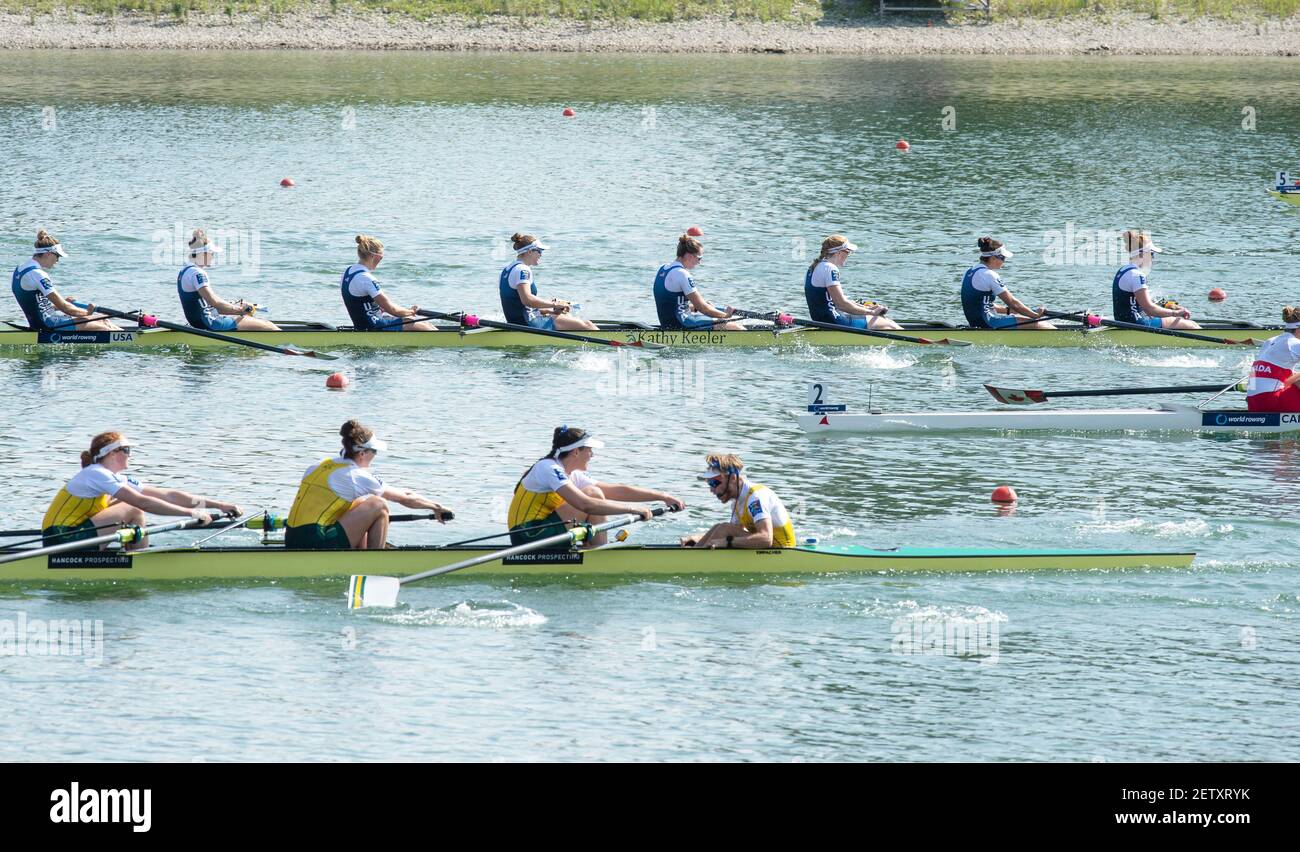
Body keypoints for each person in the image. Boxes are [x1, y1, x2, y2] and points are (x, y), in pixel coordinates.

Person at [41, 431, 240, 549]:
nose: (130, 455)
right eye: (127, 450)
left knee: (127, 504)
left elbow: (168, 495)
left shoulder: (113, 478)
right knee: (133, 508)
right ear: (111, 453)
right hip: (62, 539)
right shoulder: (97, 474)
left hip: (71, 538)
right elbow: (142, 502)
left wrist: (220, 505)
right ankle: (138, 558)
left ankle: (134, 553)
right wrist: (190, 513)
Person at [284, 420, 452, 550]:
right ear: (362, 453)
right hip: (316, 542)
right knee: (379, 505)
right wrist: (436, 507)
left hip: (291, 538)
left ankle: (363, 550)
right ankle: (373, 561)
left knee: (361, 503)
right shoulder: (355, 476)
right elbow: (405, 497)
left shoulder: (319, 465)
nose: (375, 456)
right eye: (375, 452)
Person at [507, 426, 678, 547]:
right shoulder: (548, 468)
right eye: (589, 450)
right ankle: (598, 549)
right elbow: (585, 504)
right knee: (592, 495)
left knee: (595, 492)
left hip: (541, 532)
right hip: (528, 536)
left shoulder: (571, 473)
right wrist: (633, 509)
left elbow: (617, 491)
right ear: (575, 452)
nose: (592, 455)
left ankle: (594, 546)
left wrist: (662, 496)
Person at [11, 230, 120, 332]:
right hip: (49, 325)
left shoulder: (21, 268)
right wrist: (87, 312)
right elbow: (65, 308)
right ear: (48, 254)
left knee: (103, 319)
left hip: (43, 321)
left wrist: (59, 306)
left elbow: (34, 305)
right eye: (57, 256)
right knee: (104, 327)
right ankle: (130, 340)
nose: (57, 261)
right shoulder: (38, 274)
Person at [680, 453, 795, 549]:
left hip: (782, 550)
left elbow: (766, 539)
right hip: (766, 550)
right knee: (719, 527)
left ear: (733, 478)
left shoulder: (755, 499)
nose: (711, 490)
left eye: (714, 483)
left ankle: (694, 558)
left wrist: (727, 542)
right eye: (709, 484)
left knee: (724, 528)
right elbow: (735, 531)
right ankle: (694, 553)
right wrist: (699, 538)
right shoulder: (737, 502)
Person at [177, 229, 279, 332]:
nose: (213, 256)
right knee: (269, 326)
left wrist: (237, 307)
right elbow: (214, 301)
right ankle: (285, 346)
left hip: (199, 323)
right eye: (211, 253)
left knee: (250, 319)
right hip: (211, 323)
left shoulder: (184, 270)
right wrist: (240, 310)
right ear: (203, 254)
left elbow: (211, 305)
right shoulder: (197, 273)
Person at [500, 233, 595, 331]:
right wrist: (554, 304)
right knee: (588, 325)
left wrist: (551, 309)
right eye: (539, 251)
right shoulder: (523, 270)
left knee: (566, 314)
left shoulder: (507, 269)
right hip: (529, 323)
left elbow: (519, 305)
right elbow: (527, 300)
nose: (541, 254)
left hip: (518, 321)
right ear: (529, 251)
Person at [804, 235, 902, 330]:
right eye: (848, 251)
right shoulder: (830, 269)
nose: (849, 255)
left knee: (879, 320)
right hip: (834, 321)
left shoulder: (813, 267)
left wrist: (868, 309)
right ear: (838, 252)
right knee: (889, 324)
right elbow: (841, 304)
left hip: (821, 320)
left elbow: (832, 301)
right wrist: (872, 313)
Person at [341, 235, 435, 332]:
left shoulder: (348, 271)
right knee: (425, 327)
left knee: (424, 323)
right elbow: (392, 309)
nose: (381, 261)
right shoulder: (366, 278)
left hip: (365, 324)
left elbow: (380, 306)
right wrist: (411, 312)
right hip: (374, 326)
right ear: (373, 256)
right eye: (381, 258)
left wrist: (408, 313)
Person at [960, 237, 1055, 330]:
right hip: (990, 322)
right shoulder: (989, 275)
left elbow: (979, 304)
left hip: (976, 322)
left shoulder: (969, 272)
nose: (1004, 261)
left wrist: (1011, 311)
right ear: (993, 258)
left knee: (1024, 318)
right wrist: (1035, 315)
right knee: (1041, 324)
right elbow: (1013, 303)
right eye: (1003, 258)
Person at [1111, 230, 1200, 330]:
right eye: (1152, 254)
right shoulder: (1137, 275)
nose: (1153, 258)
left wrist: (1168, 306)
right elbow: (1149, 309)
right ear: (1142, 254)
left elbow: (1140, 303)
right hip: (1136, 323)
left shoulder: (1123, 270)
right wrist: (1175, 313)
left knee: (1173, 319)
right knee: (1193, 325)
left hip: (1123, 321)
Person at [653, 234, 744, 331]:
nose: (699, 262)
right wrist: (726, 315)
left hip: (668, 323)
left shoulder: (663, 269)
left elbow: (670, 304)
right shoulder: (682, 274)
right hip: (682, 323)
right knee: (735, 327)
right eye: (699, 258)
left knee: (720, 320)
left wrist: (693, 308)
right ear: (689, 256)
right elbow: (703, 308)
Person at [1245, 306, 1300, 412]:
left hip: (1253, 404)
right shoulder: (1295, 344)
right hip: (1272, 401)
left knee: (1293, 376)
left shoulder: (1269, 341)